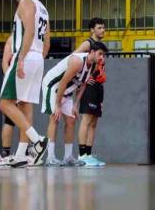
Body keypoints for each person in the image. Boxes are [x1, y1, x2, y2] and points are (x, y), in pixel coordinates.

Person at [0, 0, 50, 168]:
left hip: (25, 55)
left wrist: (21, 59)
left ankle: (37, 140)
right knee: (25, 105)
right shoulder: (43, 9)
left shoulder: (26, 3)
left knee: (5, 104)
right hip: (37, 57)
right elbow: (47, 41)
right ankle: (21, 154)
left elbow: (28, 31)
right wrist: (38, 60)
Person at [42, 42, 105, 167]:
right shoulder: (77, 61)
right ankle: (50, 157)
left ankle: (68, 157)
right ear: (91, 52)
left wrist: (76, 105)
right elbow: (63, 82)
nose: (102, 58)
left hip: (67, 91)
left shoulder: (93, 66)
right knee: (55, 118)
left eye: (104, 55)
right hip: (53, 87)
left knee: (71, 119)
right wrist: (58, 105)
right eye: (100, 54)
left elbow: (82, 85)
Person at [75, 17, 108, 167]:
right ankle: (81, 155)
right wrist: (83, 79)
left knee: (94, 123)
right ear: (92, 30)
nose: (102, 30)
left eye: (103, 28)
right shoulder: (88, 44)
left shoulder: (101, 46)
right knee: (86, 120)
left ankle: (88, 154)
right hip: (88, 87)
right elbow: (74, 58)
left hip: (98, 87)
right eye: (99, 28)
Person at [0, 36, 18, 166]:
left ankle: (23, 153)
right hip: (14, 81)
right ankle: (5, 154)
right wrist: (9, 81)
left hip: (25, 81)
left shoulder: (31, 38)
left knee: (25, 116)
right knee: (9, 119)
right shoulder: (12, 39)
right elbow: (5, 62)